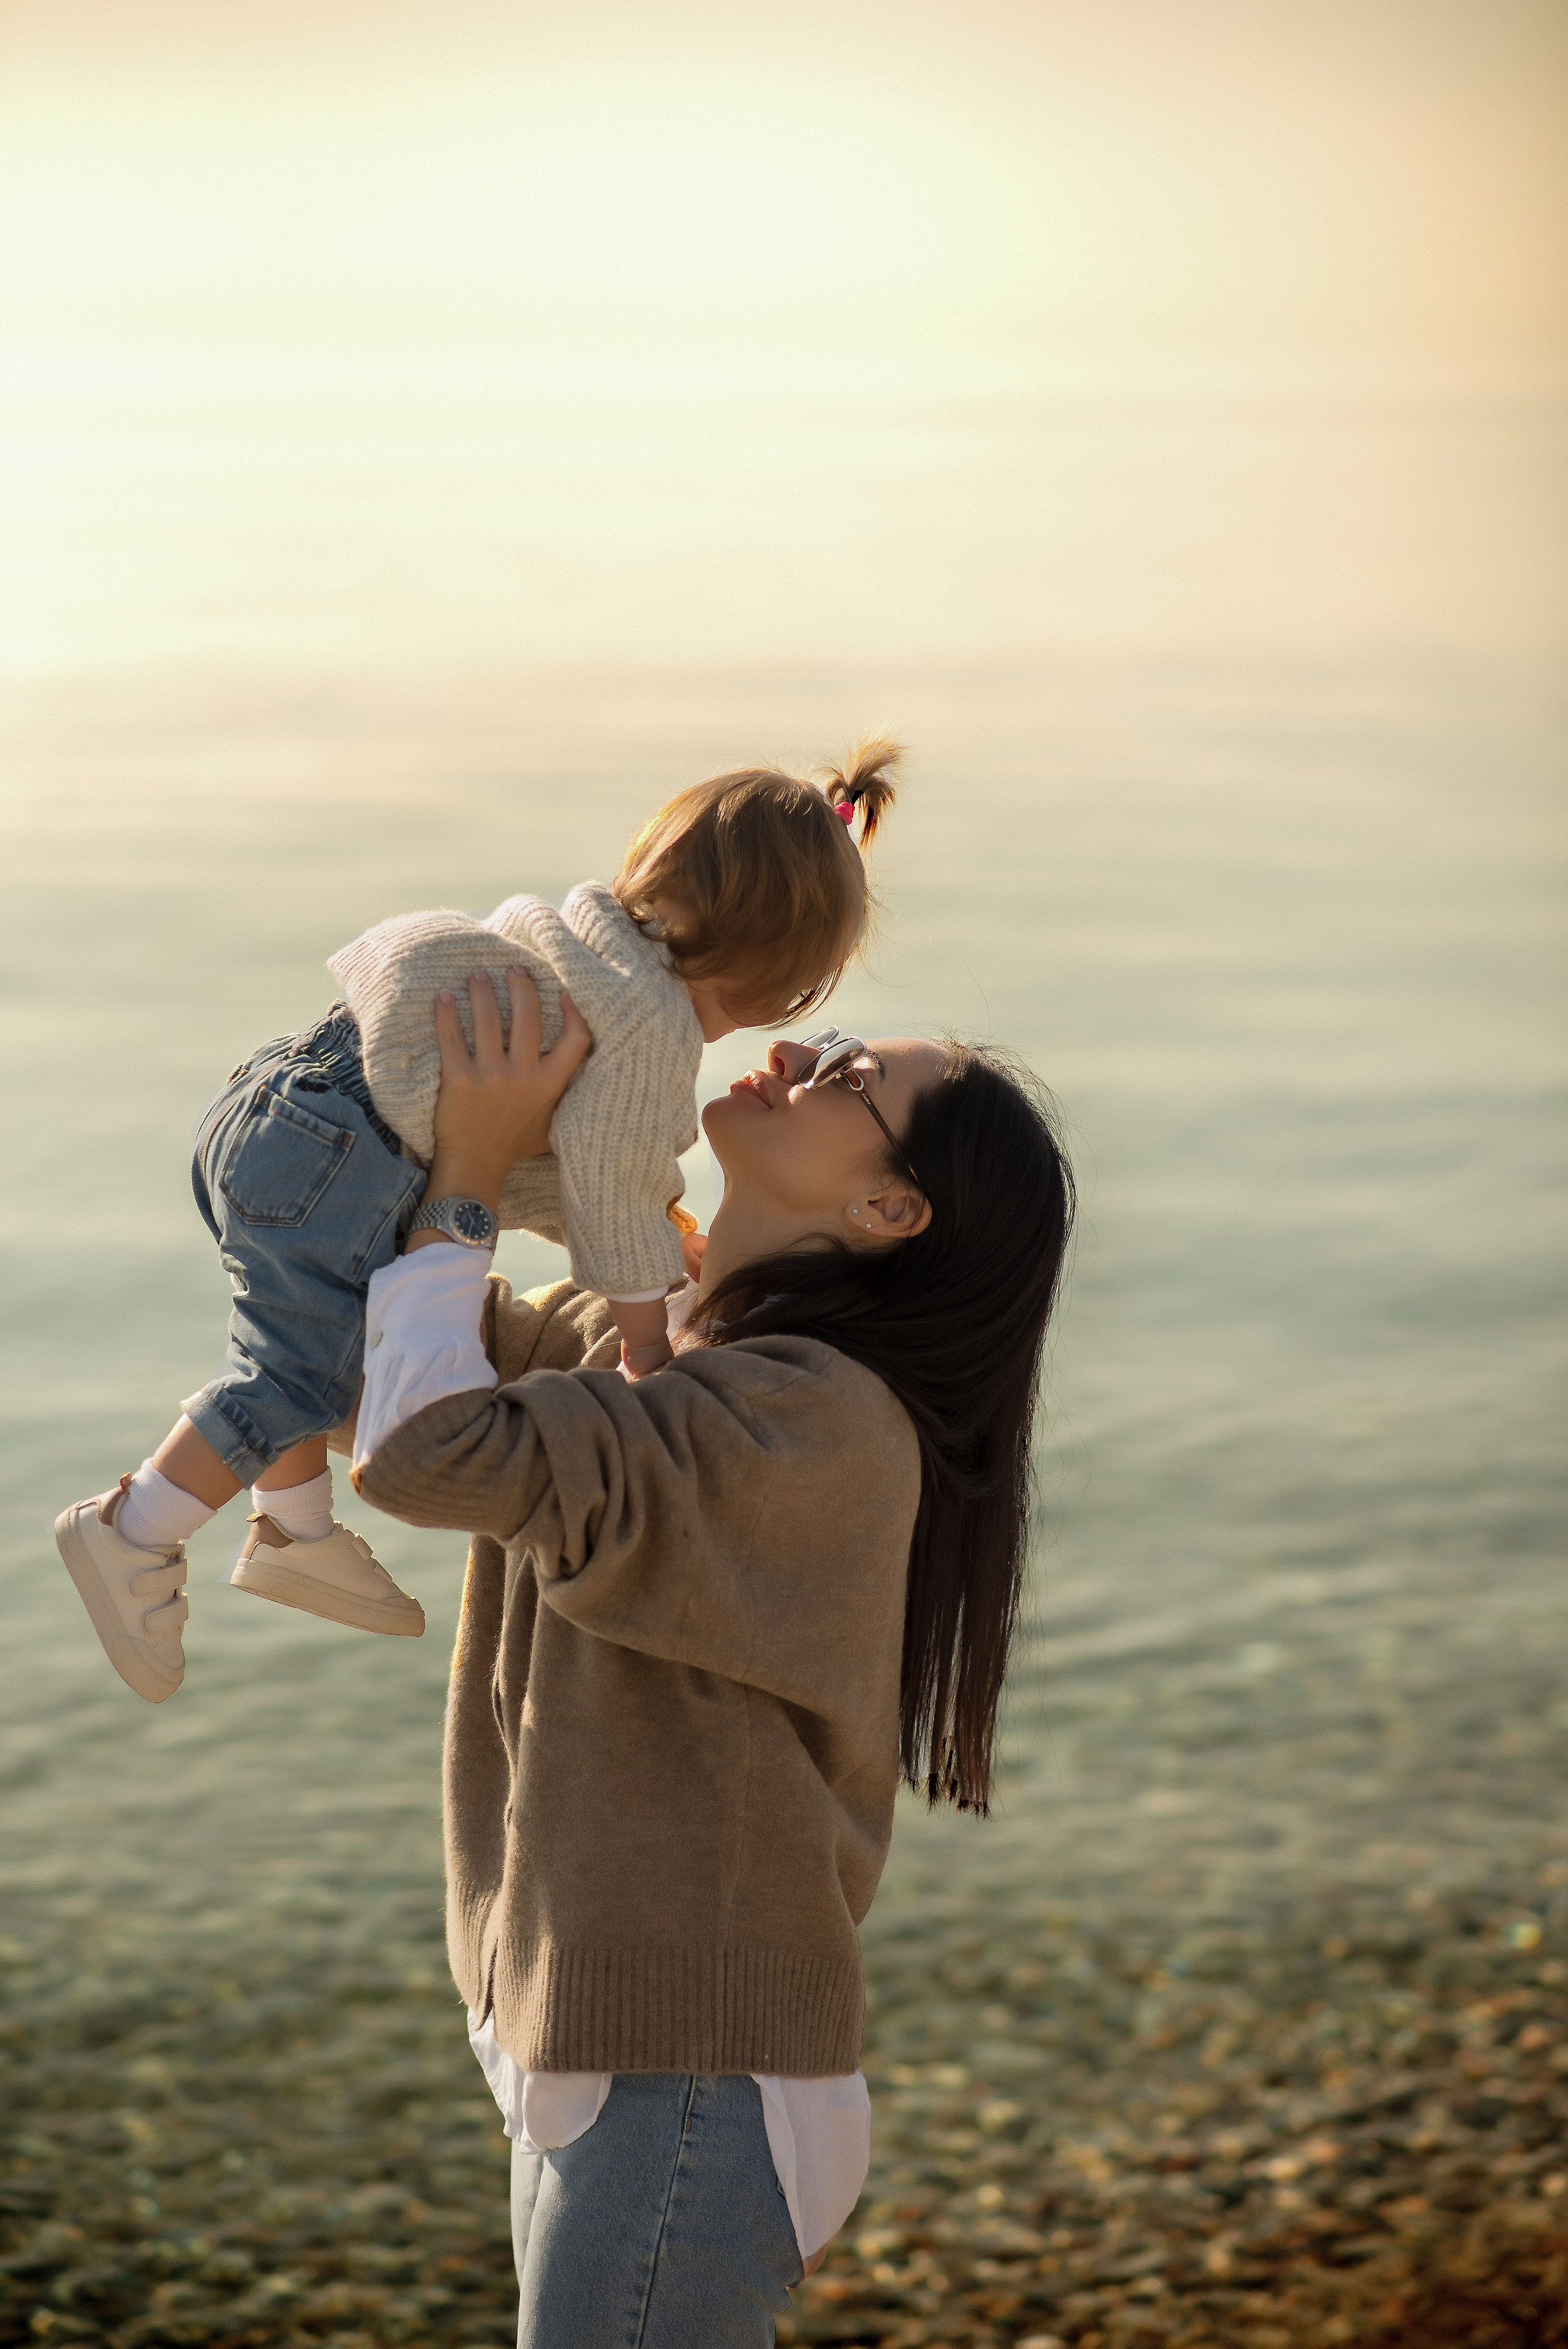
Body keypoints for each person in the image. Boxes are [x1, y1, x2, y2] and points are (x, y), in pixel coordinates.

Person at [345, 965, 1075, 2346]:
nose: (800, 1048)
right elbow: (368, 1362)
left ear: (886, 1211)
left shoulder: (816, 1426)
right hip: (587, 2040)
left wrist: (472, 1171)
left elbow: (421, 1449)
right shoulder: (638, 1340)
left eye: (850, 1075)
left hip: (694, 2079)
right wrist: (427, 1099)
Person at [52, 740, 899, 1703]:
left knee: (306, 1331)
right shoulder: (653, 1028)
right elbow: (609, 1186)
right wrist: (645, 1346)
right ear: (773, 983)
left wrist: (655, 1248)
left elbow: (550, 1166)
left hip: (279, 1097)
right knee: (295, 1369)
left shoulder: (580, 942)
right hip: (349, 1156)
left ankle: (293, 1528)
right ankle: (136, 1527)